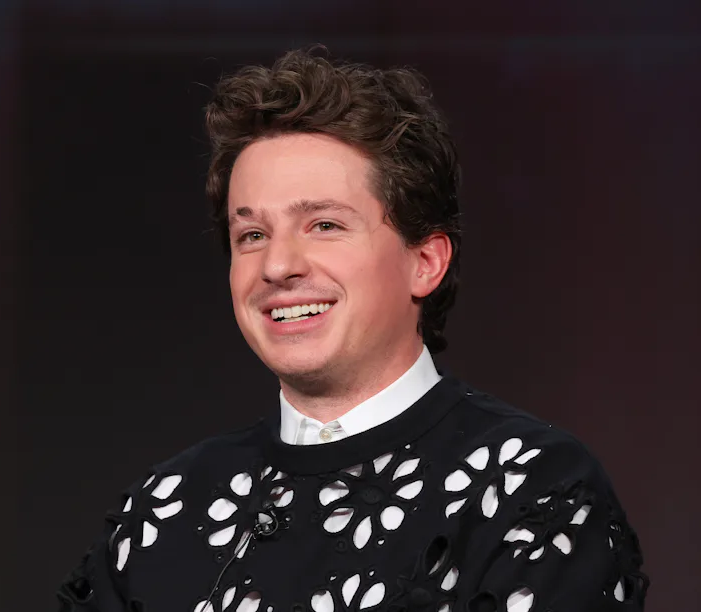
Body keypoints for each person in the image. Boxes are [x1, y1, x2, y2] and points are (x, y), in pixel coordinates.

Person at [57, 48, 648, 612]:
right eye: (252, 235)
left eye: (324, 224)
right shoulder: (169, 504)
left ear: (425, 262)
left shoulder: (534, 485)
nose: (278, 265)